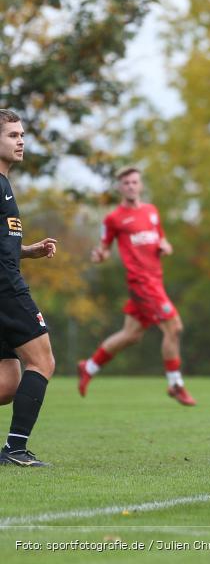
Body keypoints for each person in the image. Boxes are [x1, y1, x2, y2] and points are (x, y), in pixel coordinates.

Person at [77, 167, 195, 406]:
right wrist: (98, 256)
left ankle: (88, 366)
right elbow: (104, 250)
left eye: (134, 182)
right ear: (120, 187)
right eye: (126, 183)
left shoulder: (151, 212)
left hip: (155, 280)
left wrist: (166, 247)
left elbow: (161, 239)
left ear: (140, 185)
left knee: (131, 335)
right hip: (141, 283)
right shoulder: (113, 219)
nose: (131, 186)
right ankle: (175, 384)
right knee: (174, 328)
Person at [0, 109, 60, 467]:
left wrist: (27, 251)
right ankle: (15, 450)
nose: (21, 140)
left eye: (22, 135)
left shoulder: (4, 184)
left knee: (8, 383)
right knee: (43, 360)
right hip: (6, 287)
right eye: (12, 135)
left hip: (5, 281)